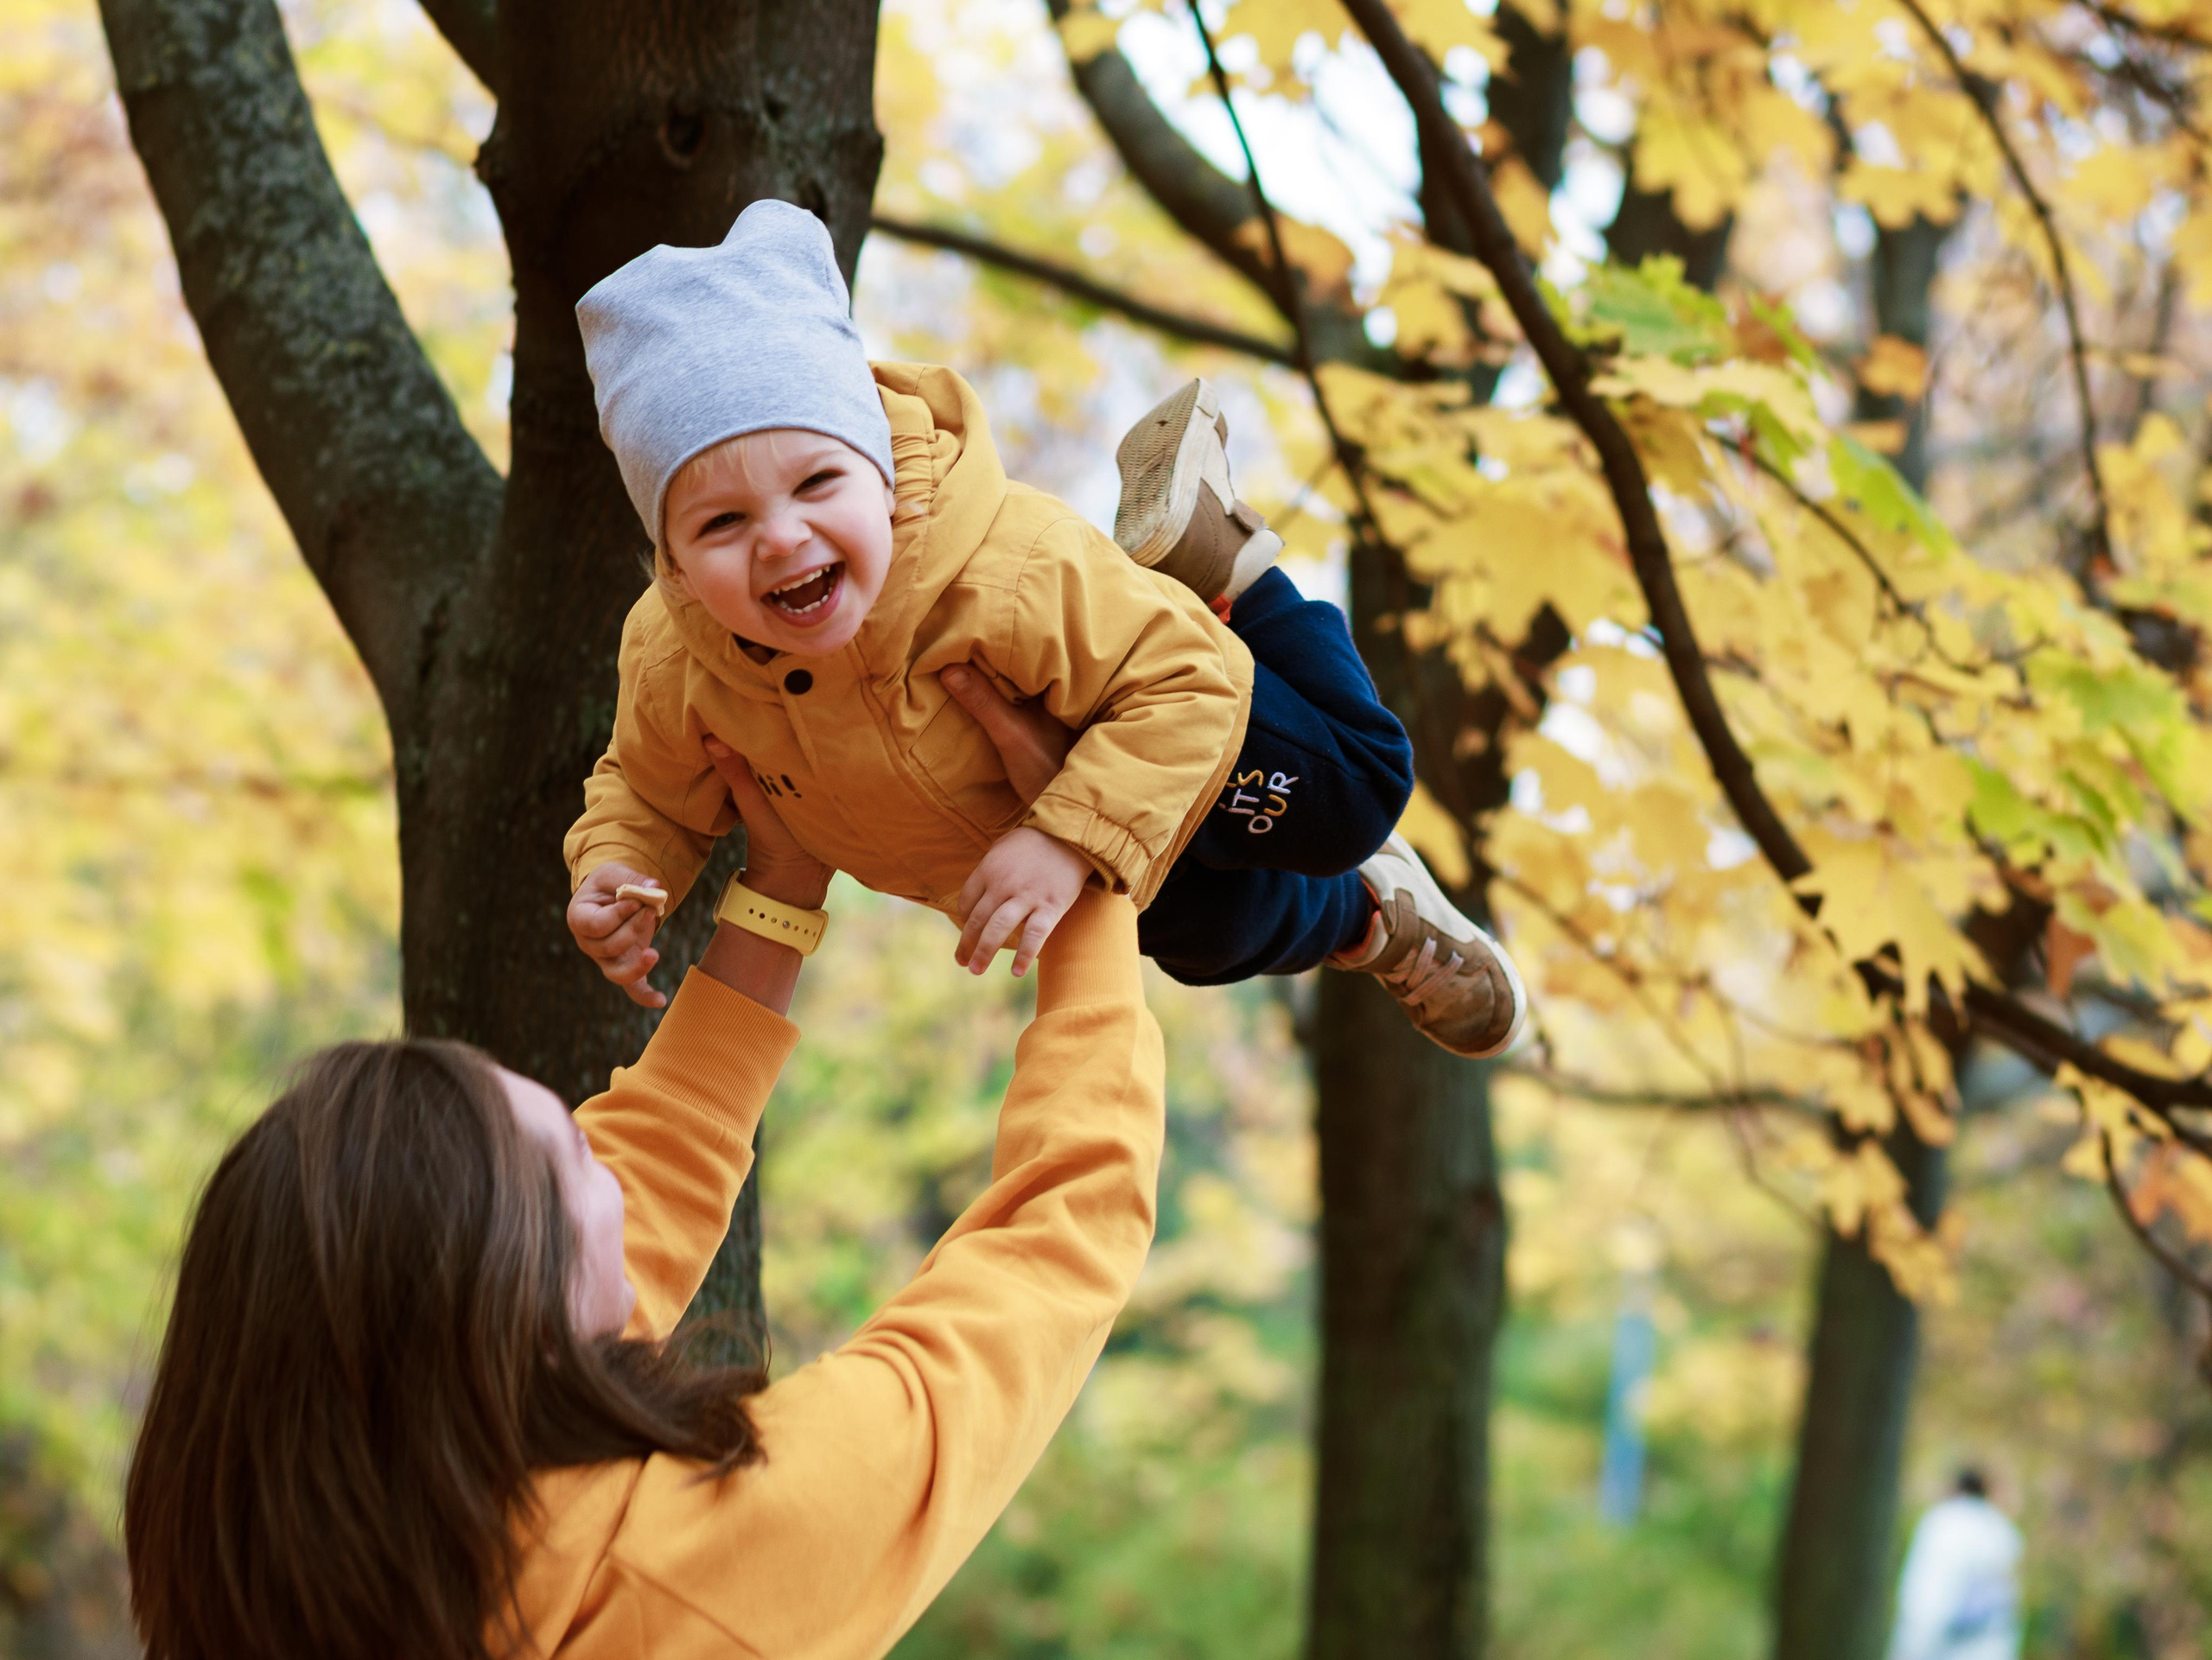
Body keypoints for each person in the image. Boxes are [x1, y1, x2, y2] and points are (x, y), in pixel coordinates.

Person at [124, 688, 1166, 1659]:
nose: (612, 1166)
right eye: (580, 1153)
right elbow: (1051, 1246)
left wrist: (780, 888)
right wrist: (1082, 852)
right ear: (516, 1314)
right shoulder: (703, 1560)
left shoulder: (258, 1565)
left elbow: (650, 1160)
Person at [560, 198, 1527, 1059]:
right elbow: (648, 782)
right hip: (1092, 810)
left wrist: (1063, 841)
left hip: (1149, 704)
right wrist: (617, 866)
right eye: (722, 524)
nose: (780, 537)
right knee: (1203, 933)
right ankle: (1376, 920)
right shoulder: (675, 653)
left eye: (817, 482)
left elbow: (1187, 681)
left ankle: (1226, 571)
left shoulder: (1010, 566)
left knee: (1353, 798)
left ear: (881, 470)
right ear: (672, 556)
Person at [1886, 1469, 2025, 1660]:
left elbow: (1925, 1590)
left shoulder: (1940, 1522)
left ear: (1956, 1489)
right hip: (1987, 1642)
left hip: (1937, 1635)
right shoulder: (2002, 1530)